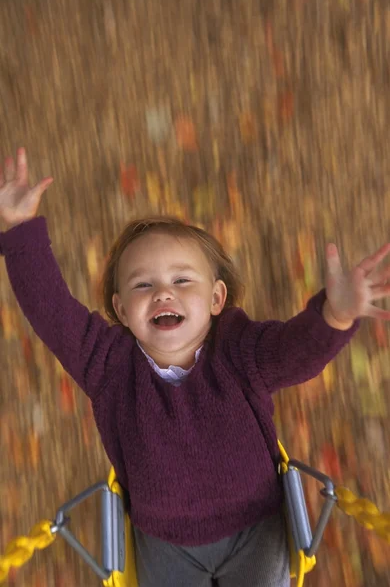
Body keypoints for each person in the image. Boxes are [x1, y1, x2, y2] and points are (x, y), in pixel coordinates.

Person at [1, 148, 390, 587]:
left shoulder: (241, 350)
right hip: (164, 541)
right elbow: (52, 312)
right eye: (142, 284)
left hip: (255, 528)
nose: (163, 293)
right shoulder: (108, 365)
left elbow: (294, 353)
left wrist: (333, 318)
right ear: (121, 310)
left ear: (216, 299)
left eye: (182, 280)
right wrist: (20, 231)